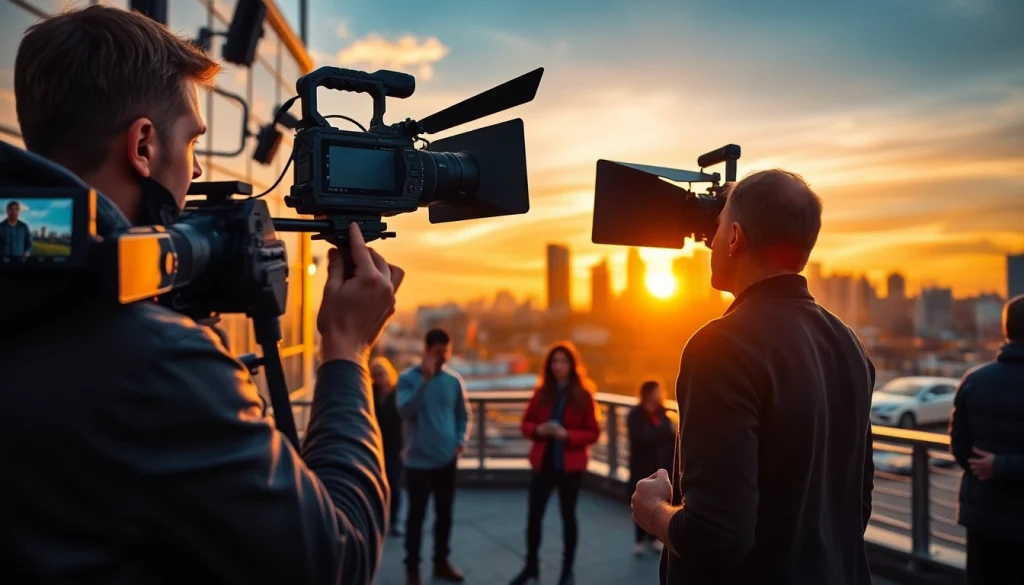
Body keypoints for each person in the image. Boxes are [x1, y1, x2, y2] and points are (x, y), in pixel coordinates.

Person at [0, 6, 403, 584]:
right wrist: (346, 351)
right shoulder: (156, 366)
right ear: (142, 146)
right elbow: (337, 559)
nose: (191, 172)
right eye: (191, 142)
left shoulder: (29, 281)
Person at [631, 169, 876, 585]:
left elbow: (717, 538)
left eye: (719, 227)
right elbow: (858, 503)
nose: (709, 241)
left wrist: (652, 510)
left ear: (735, 238)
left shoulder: (720, 347)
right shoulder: (849, 344)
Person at [509, 341, 601, 585]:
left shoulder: (584, 395)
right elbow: (525, 424)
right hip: (544, 464)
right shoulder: (542, 393)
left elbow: (593, 433)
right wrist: (540, 429)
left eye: (563, 361)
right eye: (555, 362)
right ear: (549, 366)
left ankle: (567, 570)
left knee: (568, 518)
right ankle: (531, 567)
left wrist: (567, 435)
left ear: (572, 365)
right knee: (533, 518)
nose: (559, 366)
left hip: (570, 467)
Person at [949, 294, 1024, 585]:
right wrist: (1007, 467)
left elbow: (960, 448)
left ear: (1006, 331)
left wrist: (995, 467)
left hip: (983, 517)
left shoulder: (974, 379)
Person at [396, 328, 471, 585]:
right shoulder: (407, 379)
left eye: (446, 352)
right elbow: (405, 411)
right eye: (437, 352)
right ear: (426, 351)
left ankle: (441, 562)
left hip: (446, 460)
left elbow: (463, 415)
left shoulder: (454, 381)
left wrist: (460, 440)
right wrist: (425, 383)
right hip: (418, 461)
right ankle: (412, 568)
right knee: (416, 517)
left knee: (444, 515)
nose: (442, 357)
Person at [627, 379, 677, 557]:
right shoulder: (635, 414)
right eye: (657, 390)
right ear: (648, 393)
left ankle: (654, 537)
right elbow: (641, 437)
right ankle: (639, 540)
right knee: (640, 500)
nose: (660, 393)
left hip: (661, 465)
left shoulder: (664, 413)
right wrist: (664, 429)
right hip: (640, 466)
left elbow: (672, 439)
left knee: (660, 501)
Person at [371, 355, 405, 537]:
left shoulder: (398, 393)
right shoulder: (370, 391)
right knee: (375, 484)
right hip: (375, 445)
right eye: (375, 374)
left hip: (395, 445)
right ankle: (377, 521)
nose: (379, 377)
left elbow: (405, 422)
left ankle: (394, 521)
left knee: (393, 484)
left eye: (381, 373)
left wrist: (404, 447)